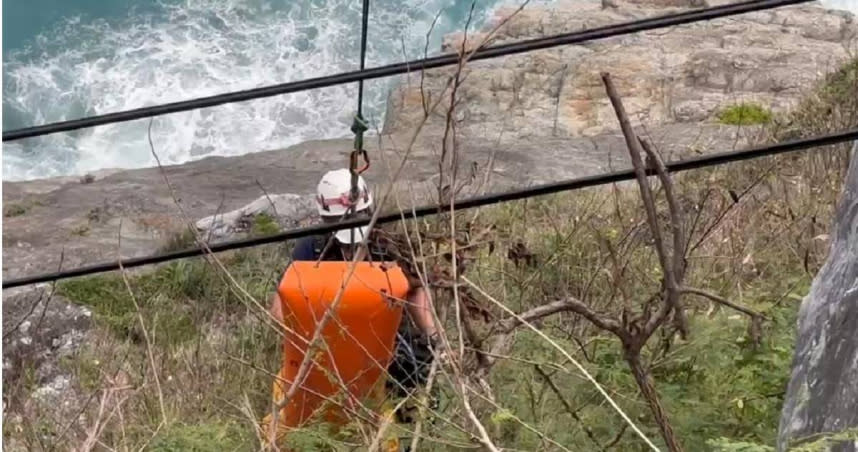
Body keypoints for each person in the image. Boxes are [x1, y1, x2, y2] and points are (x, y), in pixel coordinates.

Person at [268, 168, 442, 421]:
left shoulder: (389, 242)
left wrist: (432, 334)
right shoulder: (311, 249)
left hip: (387, 336)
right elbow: (281, 303)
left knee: (418, 368)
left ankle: (411, 426)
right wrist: (306, 340)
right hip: (329, 339)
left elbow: (416, 288)